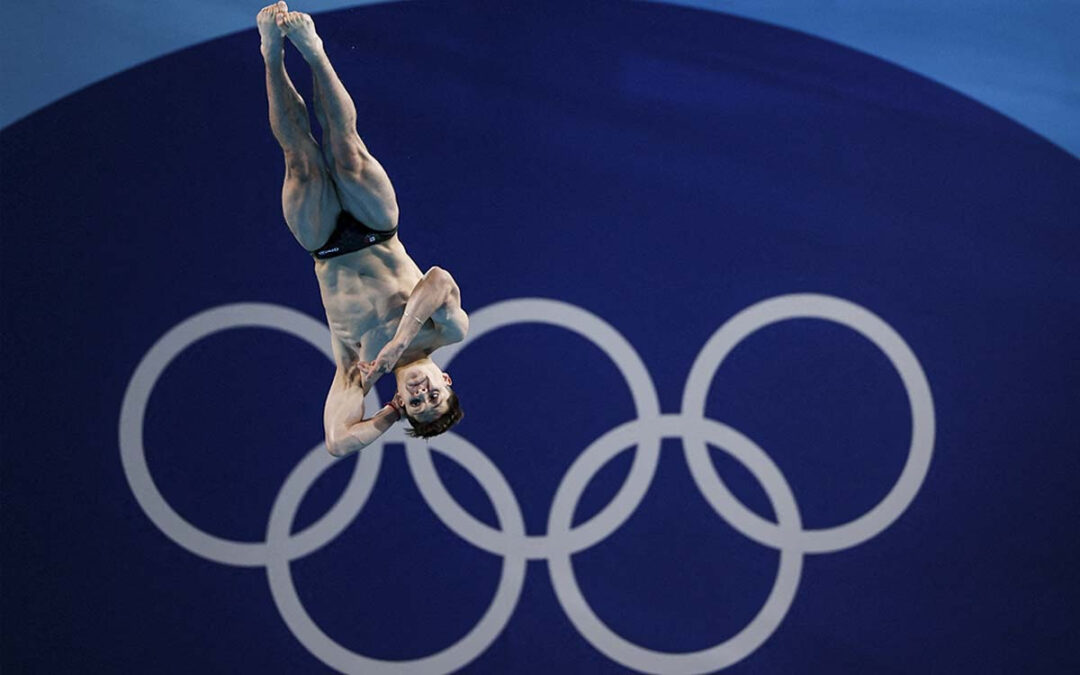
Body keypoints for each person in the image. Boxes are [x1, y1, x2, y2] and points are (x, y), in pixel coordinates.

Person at [257, 2, 467, 456]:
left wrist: (388, 412)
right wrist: (399, 343)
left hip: (324, 245)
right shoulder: (447, 333)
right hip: (377, 230)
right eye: (435, 394)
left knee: (301, 161)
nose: (422, 394)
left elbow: (337, 443)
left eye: (418, 405)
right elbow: (439, 280)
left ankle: (271, 54)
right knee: (345, 150)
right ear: (444, 378)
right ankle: (315, 53)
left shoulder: (356, 373)